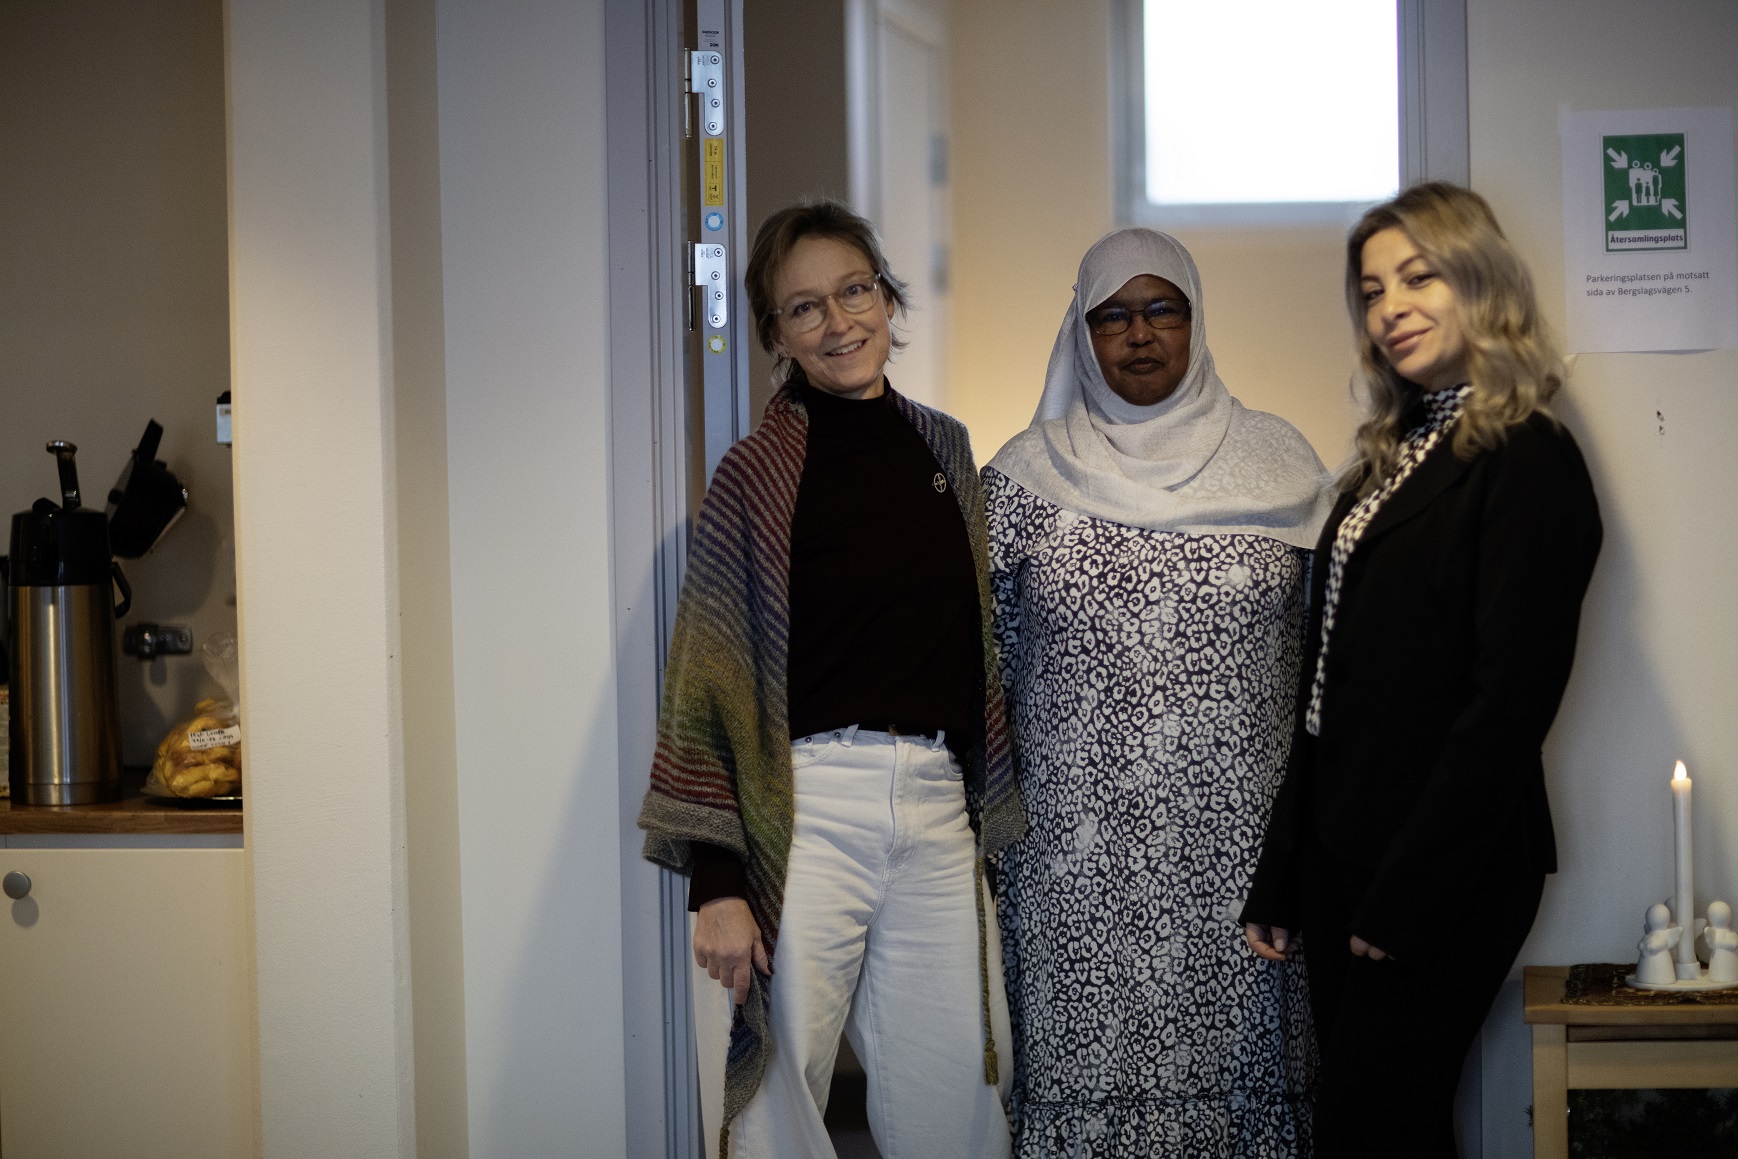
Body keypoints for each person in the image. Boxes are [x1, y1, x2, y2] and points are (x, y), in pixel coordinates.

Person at [637, 198, 1024, 1159]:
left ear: (888, 299)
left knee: (962, 1095)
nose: (839, 321)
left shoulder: (945, 449)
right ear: (775, 335)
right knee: (775, 1099)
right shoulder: (756, 474)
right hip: (808, 810)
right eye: (804, 307)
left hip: (935, 809)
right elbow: (705, 685)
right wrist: (718, 884)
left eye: (855, 291)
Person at [1241, 182, 1603, 1156]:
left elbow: (1506, 706)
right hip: (1344, 855)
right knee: (1378, 1129)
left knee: (1371, 1128)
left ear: (1480, 281)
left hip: (1446, 866)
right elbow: (1325, 689)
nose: (1389, 308)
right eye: (1371, 291)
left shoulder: (1528, 457)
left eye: (1417, 277)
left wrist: (1411, 891)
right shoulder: (1389, 457)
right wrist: (1284, 871)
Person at [983, 227, 1334, 1156]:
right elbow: (983, 672)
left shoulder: (1281, 463)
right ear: (1083, 333)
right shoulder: (1022, 480)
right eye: (1113, 317)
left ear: (1195, 319)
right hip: (1074, 870)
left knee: (1248, 1095)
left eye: (1162, 310)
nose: (1140, 335)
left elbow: (1330, 669)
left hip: (1248, 869)